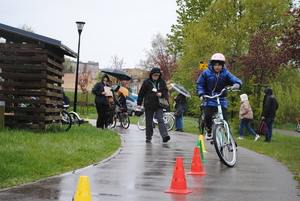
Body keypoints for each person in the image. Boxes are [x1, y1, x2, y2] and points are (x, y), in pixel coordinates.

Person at [196, 53, 242, 140]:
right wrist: (201, 94)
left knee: (224, 119)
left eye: (219, 65)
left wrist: (237, 84)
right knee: (208, 115)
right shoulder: (206, 73)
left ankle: (229, 139)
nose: (217, 67)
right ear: (212, 65)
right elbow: (200, 84)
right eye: (215, 65)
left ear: (222, 65)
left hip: (221, 98)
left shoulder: (226, 73)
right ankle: (209, 130)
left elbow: (235, 80)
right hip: (209, 97)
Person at [137, 67, 170, 143]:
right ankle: (148, 137)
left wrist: (161, 94)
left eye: (157, 75)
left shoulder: (162, 82)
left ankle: (164, 135)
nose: (156, 76)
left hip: (159, 104)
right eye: (154, 75)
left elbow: (165, 91)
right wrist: (139, 103)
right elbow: (141, 93)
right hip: (148, 104)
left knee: (160, 119)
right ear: (151, 75)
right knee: (149, 122)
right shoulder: (146, 82)